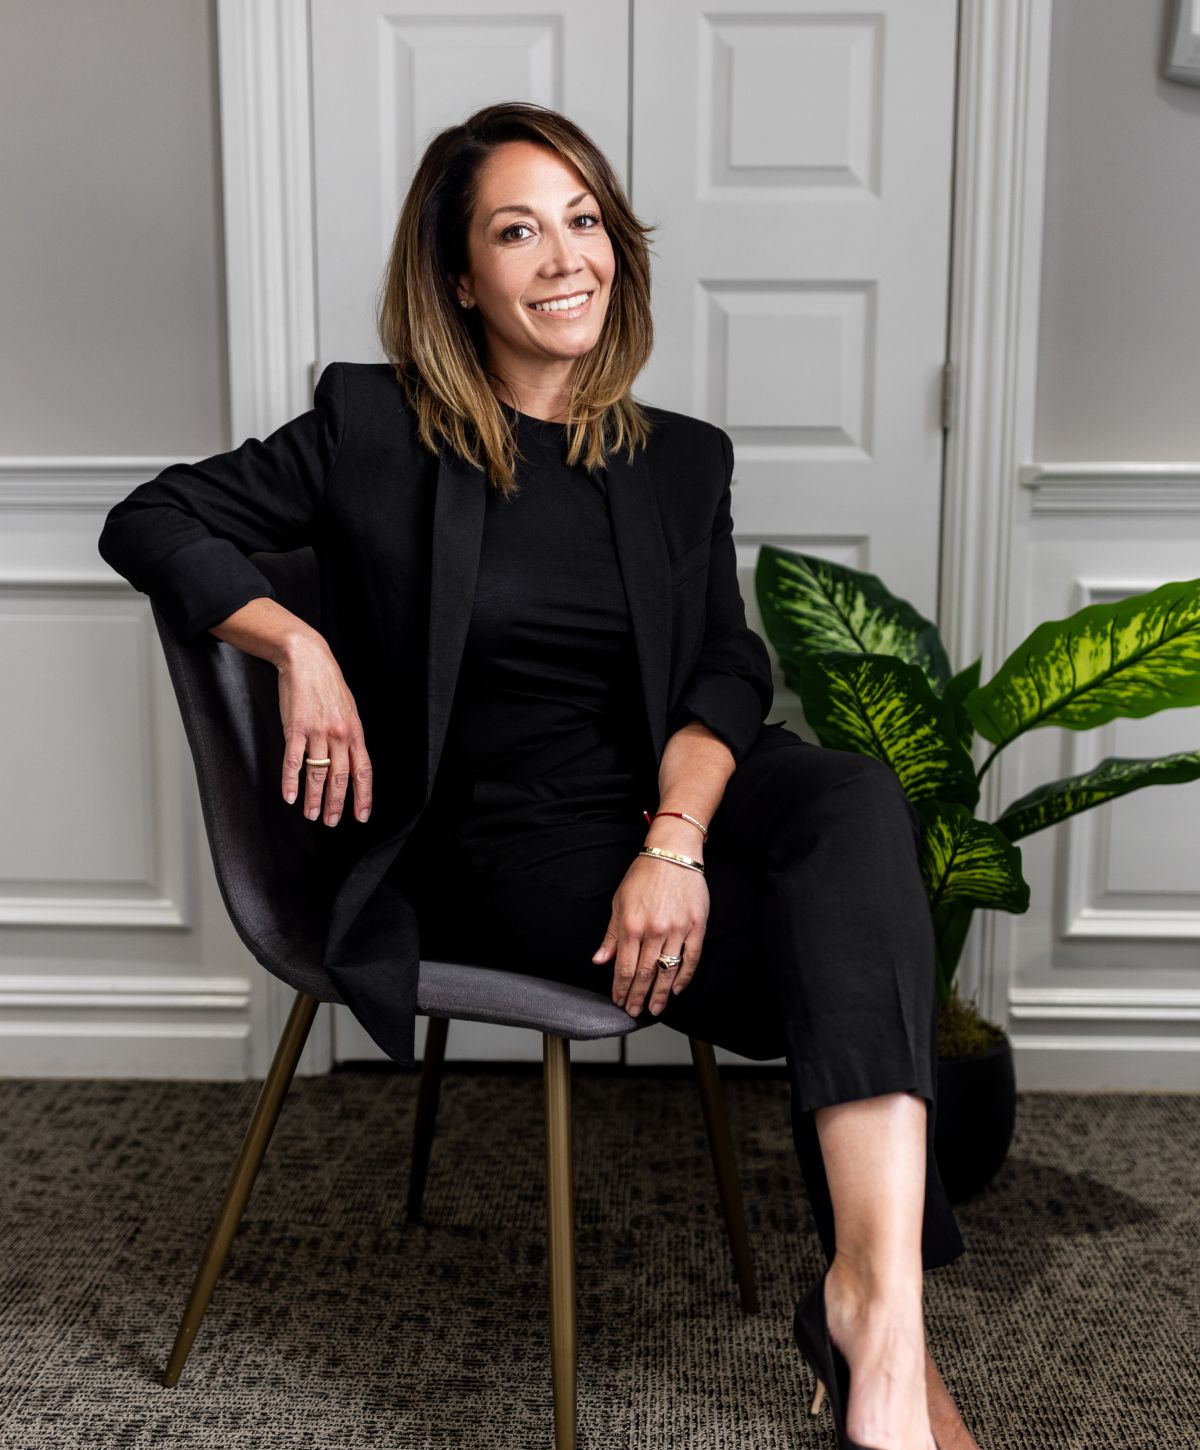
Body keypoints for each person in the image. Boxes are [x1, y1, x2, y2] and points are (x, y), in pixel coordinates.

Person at [98, 101, 981, 1450]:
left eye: (584, 221)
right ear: (462, 276)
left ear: (618, 247)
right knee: (850, 942)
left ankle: (876, 1307)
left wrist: (675, 840)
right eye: (518, 230)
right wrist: (297, 644)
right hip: (499, 844)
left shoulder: (680, 458)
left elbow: (725, 672)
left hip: (664, 807)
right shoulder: (374, 426)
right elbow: (149, 515)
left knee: (853, 801)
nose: (562, 256)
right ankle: (883, 1339)